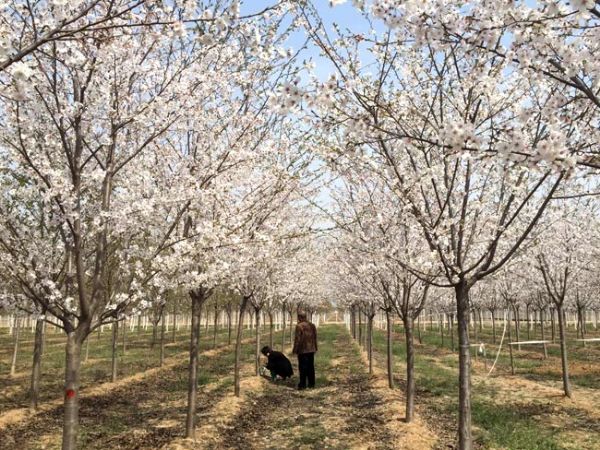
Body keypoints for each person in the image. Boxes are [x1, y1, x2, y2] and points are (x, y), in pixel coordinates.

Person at [292, 312, 318, 390]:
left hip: (302, 350)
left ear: (300, 317)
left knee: (303, 368)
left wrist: (295, 350)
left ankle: (302, 385)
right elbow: (315, 337)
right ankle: (311, 384)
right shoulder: (312, 325)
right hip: (311, 349)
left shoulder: (299, 326)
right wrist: (315, 347)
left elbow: (297, 339)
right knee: (311, 367)